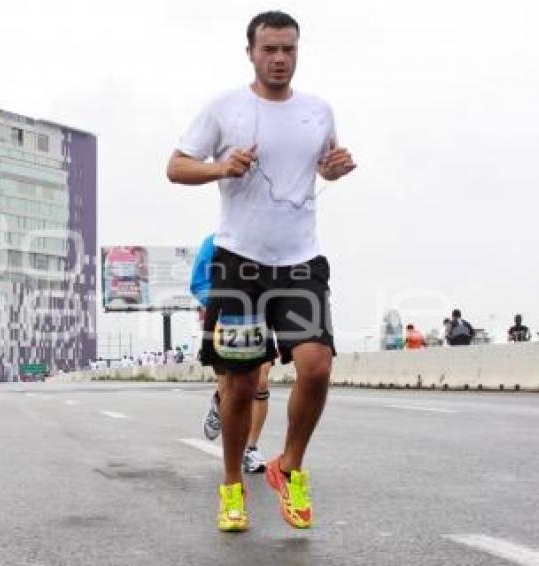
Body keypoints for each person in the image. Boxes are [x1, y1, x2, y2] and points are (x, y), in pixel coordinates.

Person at [167, 11, 355, 532]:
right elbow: (176, 165)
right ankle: (231, 485)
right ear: (250, 51)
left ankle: (288, 466)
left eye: (288, 49)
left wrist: (333, 169)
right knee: (242, 382)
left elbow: (322, 164)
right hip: (239, 263)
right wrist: (219, 167)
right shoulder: (224, 107)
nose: (279, 59)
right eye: (269, 49)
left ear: (298, 52)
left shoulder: (318, 111)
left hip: (300, 260)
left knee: (316, 366)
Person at [193, 233, 271, 475]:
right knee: (231, 387)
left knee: (260, 382)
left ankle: (250, 448)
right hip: (224, 323)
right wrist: (226, 301)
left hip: (260, 320)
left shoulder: (267, 240)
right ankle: (220, 401)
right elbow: (198, 283)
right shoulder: (214, 242)